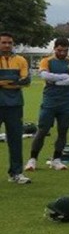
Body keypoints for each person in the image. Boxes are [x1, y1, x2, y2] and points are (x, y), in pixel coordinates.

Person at [25, 38, 69, 171]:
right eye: (59, 50)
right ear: (54, 49)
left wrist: (58, 81)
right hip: (49, 101)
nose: (62, 53)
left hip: (66, 102)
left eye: (65, 50)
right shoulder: (47, 61)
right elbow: (45, 75)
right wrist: (63, 77)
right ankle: (32, 159)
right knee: (42, 130)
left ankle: (57, 159)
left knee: (63, 131)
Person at [0, 32, 32, 184]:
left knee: (15, 141)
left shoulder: (20, 60)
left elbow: (26, 81)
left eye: (10, 43)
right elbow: (18, 81)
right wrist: (13, 81)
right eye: (4, 42)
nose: (7, 45)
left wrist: (3, 81)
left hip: (14, 105)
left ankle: (16, 173)